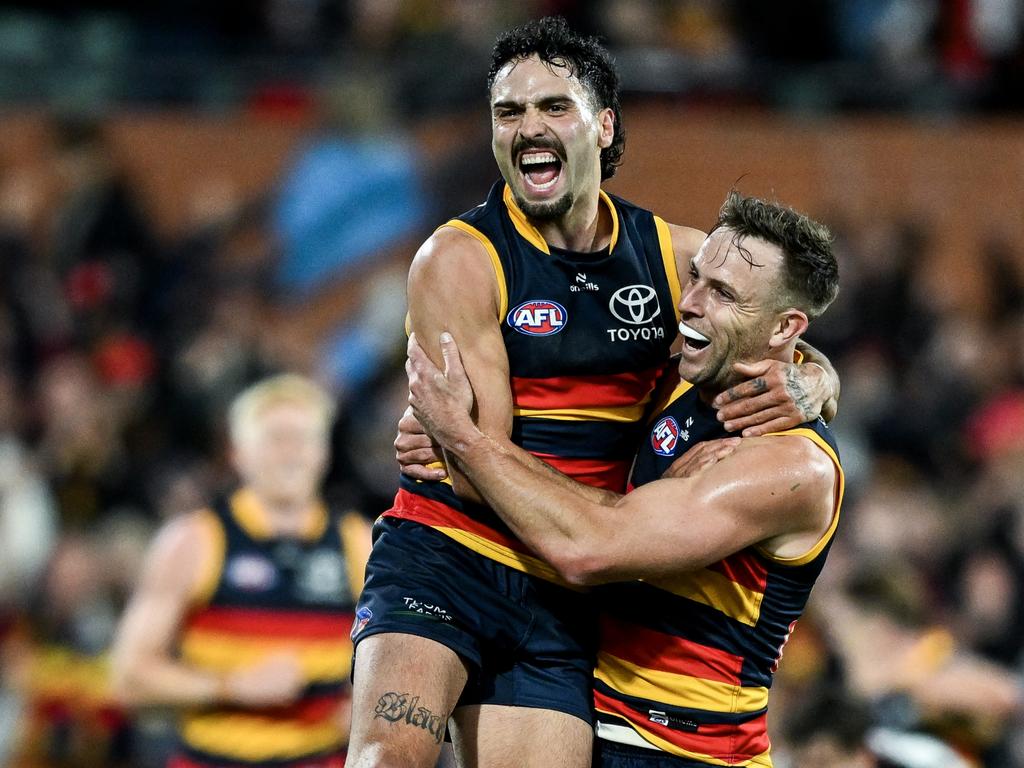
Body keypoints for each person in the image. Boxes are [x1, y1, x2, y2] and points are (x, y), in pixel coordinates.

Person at [348, 17, 839, 768]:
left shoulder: (675, 258)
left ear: (603, 126)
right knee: (387, 760)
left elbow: (758, 321)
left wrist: (814, 375)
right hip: (452, 552)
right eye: (508, 113)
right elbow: (481, 472)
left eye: (553, 107)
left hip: (567, 587)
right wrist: (464, 447)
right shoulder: (460, 257)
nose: (528, 127)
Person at [406, 191, 845, 767]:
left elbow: (589, 547)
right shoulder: (686, 377)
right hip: (598, 723)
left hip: (687, 751)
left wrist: (461, 438)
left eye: (724, 294)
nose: (689, 304)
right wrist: (820, 375)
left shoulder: (792, 465)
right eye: (695, 277)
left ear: (786, 325)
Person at [111, 374, 371, 768]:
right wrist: (230, 686)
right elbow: (129, 677)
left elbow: (399, 657)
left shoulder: (360, 544)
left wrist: (369, 704)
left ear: (324, 452)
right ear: (238, 454)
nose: (291, 452)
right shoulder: (193, 541)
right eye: (274, 438)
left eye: (304, 438)